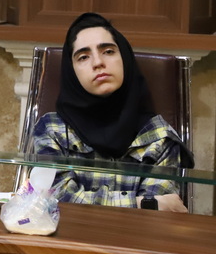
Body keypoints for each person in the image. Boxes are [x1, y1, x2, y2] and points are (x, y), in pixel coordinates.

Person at [31, 12, 194, 212]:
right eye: (83, 57)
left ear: (124, 58)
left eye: (108, 51)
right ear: (71, 72)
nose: (98, 62)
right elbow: (52, 201)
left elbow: (158, 217)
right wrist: (141, 203)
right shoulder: (51, 129)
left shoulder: (160, 137)